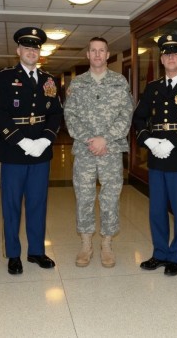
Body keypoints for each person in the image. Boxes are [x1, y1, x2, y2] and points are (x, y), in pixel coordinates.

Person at [0, 27, 63, 275]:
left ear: (39, 53)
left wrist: (45, 140)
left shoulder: (48, 80)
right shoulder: (4, 76)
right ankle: (13, 254)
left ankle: (36, 251)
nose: (32, 51)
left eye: (36, 48)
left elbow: (55, 114)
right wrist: (20, 140)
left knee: (37, 204)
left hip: (41, 152)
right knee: (11, 205)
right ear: (18, 50)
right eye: (27, 47)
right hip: (13, 151)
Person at [132, 34, 177, 276]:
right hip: (156, 156)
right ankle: (160, 252)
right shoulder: (153, 88)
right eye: (166, 54)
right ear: (162, 59)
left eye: (175, 53)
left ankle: (175, 255)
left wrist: (172, 143)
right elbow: (139, 118)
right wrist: (149, 141)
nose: (171, 57)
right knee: (157, 208)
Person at [64, 37, 134, 268]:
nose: (96, 54)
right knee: (84, 197)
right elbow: (70, 115)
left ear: (107, 54)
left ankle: (106, 244)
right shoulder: (77, 84)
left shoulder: (119, 82)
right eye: (92, 50)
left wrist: (105, 138)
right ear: (87, 54)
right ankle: (86, 244)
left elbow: (126, 114)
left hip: (111, 150)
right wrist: (89, 139)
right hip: (84, 150)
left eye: (101, 51)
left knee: (110, 197)